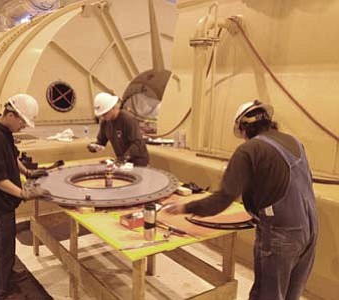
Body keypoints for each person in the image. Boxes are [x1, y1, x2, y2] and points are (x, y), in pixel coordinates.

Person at [165, 100, 318, 300]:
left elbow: (223, 198)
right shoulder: (294, 142)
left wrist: (184, 207)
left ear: (243, 127)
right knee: (291, 294)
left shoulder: (249, 150)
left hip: (281, 234)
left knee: (267, 295)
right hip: (310, 230)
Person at [0, 94, 50, 300]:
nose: (23, 126)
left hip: (4, 203)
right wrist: (24, 193)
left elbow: (12, 155)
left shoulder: (2, 131)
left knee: (7, 241)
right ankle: (0, 290)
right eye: (23, 121)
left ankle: (8, 274)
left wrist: (28, 173)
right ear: (12, 114)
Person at [87, 92, 150, 166]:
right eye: (102, 114)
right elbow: (101, 142)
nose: (103, 116)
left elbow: (137, 143)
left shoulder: (128, 119)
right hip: (123, 162)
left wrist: (125, 157)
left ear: (113, 108)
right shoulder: (105, 122)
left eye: (105, 113)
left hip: (139, 162)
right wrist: (95, 147)